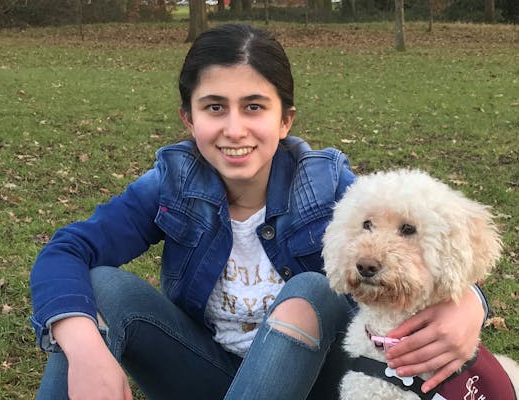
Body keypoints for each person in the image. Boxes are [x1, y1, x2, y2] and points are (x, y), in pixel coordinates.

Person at [29, 23, 490, 399]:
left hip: (315, 382)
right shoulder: (173, 184)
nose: (234, 129)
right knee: (101, 289)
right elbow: (66, 250)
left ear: (284, 119)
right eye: (214, 108)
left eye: (253, 107)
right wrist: (85, 347)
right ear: (189, 119)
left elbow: (429, 245)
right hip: (205, 374)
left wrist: (471, 305)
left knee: (310, 289)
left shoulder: (331, 187)